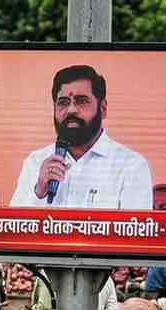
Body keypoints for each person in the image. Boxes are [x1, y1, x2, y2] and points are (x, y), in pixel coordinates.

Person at [10, 65, 153, 209]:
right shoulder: (35, 162)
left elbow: (135, 229)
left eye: (82, 100)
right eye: (63, 102)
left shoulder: (130, 166)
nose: (71, 110)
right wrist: (39, 192)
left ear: (102, 109)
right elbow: (12, 227)